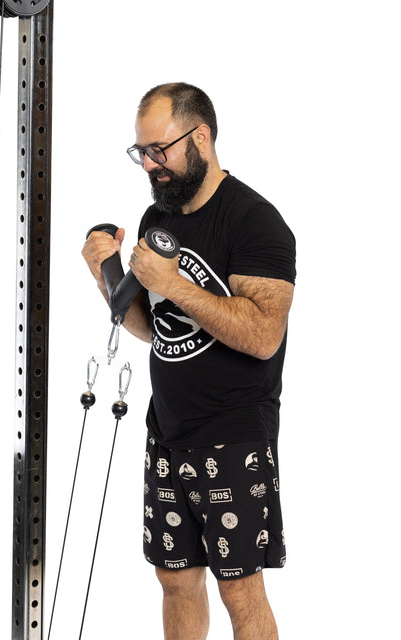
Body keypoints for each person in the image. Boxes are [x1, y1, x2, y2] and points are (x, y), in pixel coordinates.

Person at [82, 83, 296, 640]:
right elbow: (153, 328)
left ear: (200, 136)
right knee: (174, 578)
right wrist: (104, 274)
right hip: (167, 430)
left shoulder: (256, 222)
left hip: (233, 436)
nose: (152, 165)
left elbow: (263, 335)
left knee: (239, 589)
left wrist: (173, 283)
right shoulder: (161, 215)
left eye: (161, 150)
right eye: (143, 153)